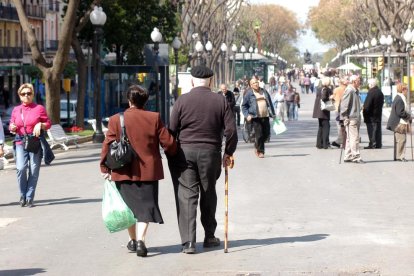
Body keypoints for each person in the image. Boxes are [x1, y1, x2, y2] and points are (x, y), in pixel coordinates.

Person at [100, 84, 177, 257]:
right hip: (148, 171)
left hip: (122, 170)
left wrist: (104, 167)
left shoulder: (115, 119)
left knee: (129, 208)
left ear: (129, 100)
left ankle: (133, 240)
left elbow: (107, 145)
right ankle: (141, 240)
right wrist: (174, 152)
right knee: (145, 207)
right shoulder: (154, 117)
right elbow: (168, 142)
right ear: (145, 101)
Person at [168, 65, 237, 254]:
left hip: (185, 153)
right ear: (212, 81)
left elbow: (171, 129)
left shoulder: (182, 100)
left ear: (192, 81)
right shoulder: (220, 101)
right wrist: (228, 153)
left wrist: (171, 152)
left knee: (187, 195)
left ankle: (189, 242)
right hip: (210, 153)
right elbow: (231, 130)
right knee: (208, 192)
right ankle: (209, 235)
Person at [9, 83, 51, 207]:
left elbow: (48, 123)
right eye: (23, 94)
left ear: (32, 95)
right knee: (21, 168)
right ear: (20, 96)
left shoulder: (39, 108)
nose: (26, 95)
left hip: (34, 142)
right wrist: (12, 127)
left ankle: (29, 197)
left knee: (34, 169)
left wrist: (41, 125)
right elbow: (12, 123)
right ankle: (22, 194)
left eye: (29, 93)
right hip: (20, 141)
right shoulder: (16, 110)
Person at [242, 77, 275, 158]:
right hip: (255, 117)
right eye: (253, 83)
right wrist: (247, 115)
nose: (255, 84)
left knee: (266, 134)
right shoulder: (249, 93)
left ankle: (257, 145)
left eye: (256, 82)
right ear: (250, 85)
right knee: (259, 134)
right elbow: (244, 106)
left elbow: (270, 103)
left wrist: (273, 114)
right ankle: (260, 151)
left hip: (265, 116)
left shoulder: (264, 91)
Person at [340, 75, 364, 163]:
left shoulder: (355, 90)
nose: (360, 82)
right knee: (355, 138)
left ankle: (348, 155)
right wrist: (345, 117)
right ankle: (356, 156)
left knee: (350, 138)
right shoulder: (350, 90)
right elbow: (344, 105)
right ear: (354, 81)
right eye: (358, 81)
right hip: (351, 117)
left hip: (355, 117)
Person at [386, 83, 412, 162]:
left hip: (397, 122)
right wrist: (409, 116)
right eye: (406, 89)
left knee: (399, 140)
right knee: (401, 140)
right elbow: (400, 112)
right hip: (399, 123)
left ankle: (397, 156)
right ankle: (400, 156)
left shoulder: (398, 97)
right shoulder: (400, 99)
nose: (407, 91)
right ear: (403, 90)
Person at [363, 78, 384, 149]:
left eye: (369, 84)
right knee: (377, 129)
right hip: (378, 114)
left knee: (372, 130)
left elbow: (367, 105)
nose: (368, 85)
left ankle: (372, 143)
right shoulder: (379, 92)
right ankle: (378, 143)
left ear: (371, 85)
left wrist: (364, 111)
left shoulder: (371, 92)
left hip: (371, 115)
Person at [313, 77, 333, 149]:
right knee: (326, 127)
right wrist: (330, 98)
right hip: (324, 110)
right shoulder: (326, 89)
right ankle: (325, 144)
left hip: (319, 110)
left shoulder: (319, 88)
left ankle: (319, 143)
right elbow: (324, 98)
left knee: (321, 126)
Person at [330, 76, 349, 148]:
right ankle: (344, 140)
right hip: (346, 108)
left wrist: (331, 97)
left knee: (339, 125)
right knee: (345, 125)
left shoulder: (336, 89)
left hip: (338, 108)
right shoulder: (347, 89)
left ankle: (340, 140)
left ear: (340, 83)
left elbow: (333, 98)